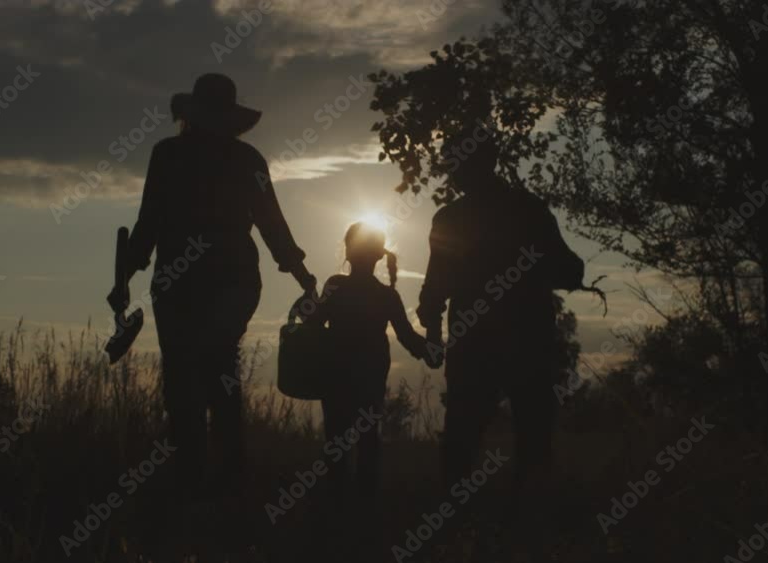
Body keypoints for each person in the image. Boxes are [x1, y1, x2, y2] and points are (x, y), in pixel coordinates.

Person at [121, 74, 317, 498]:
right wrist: (302, 275)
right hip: (225, 280)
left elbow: (149, 221)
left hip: (186, 282)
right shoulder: (245, 160)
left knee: (187, 375)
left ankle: (199, 479)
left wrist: (127, 274)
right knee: (215, 370)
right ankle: (223, 480)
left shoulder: (170, 155)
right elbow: (271, 224)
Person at [417, 129, 586, 494]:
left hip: (476, 340)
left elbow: (435, 287)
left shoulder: (451, 217)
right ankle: (526, 511)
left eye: (456, 165)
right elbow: (569, 269)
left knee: (464, 433)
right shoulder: (529, 208)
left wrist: (432, 332)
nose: (452, 173)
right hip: (527, 337)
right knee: (531, 431)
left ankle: (458, 511)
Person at [306, 222, 429, 500]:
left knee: (336, 438)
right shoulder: (386, 295)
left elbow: (314, 322)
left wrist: (308, 302)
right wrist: (431, 350)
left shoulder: (336, 286)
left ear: (348, 252)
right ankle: (364, 502)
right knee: (367, 438)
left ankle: (338, 501)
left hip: (336, 375)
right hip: (369, 376)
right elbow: (409, 338)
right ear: (378, 256)